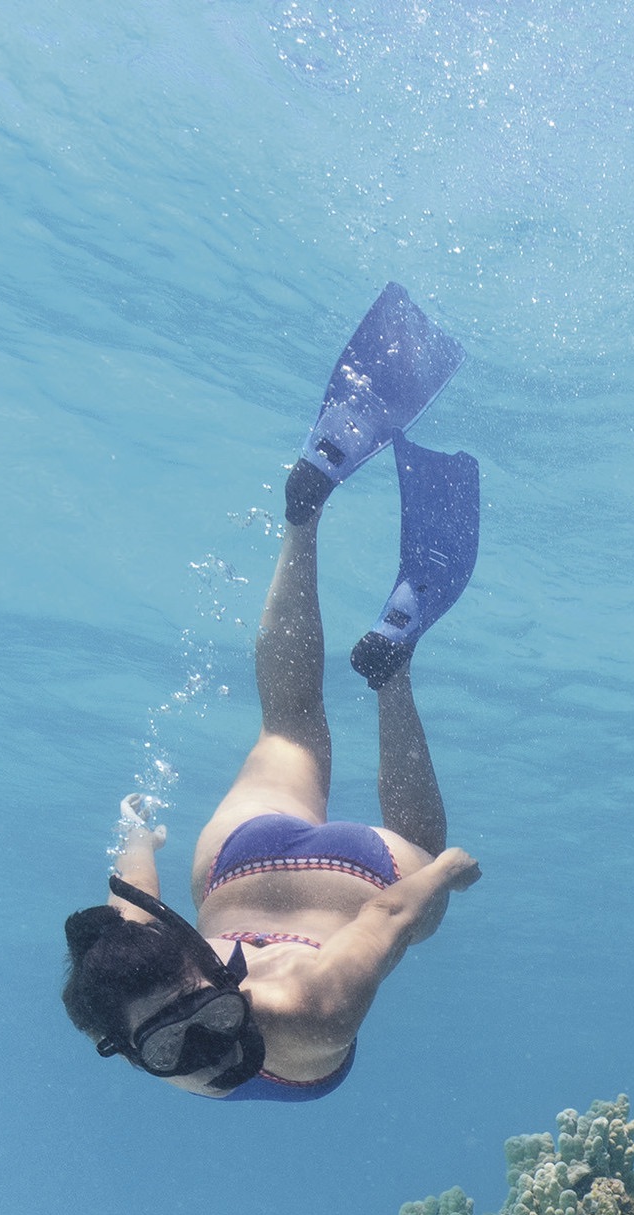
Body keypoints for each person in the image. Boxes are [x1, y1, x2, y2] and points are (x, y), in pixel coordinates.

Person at [62, 286, 487, 1101]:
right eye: (180, 1045)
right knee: (288, 727)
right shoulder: (142, 971)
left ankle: (392, 666)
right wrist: (141, 838)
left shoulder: (304, 1014)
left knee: (420, 862)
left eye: (190, 1029)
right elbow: (135, 916)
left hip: (355, 881)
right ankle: (305, 513)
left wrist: (444, 875)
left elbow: (391, 918)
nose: (205, 1049)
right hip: (235, 868)